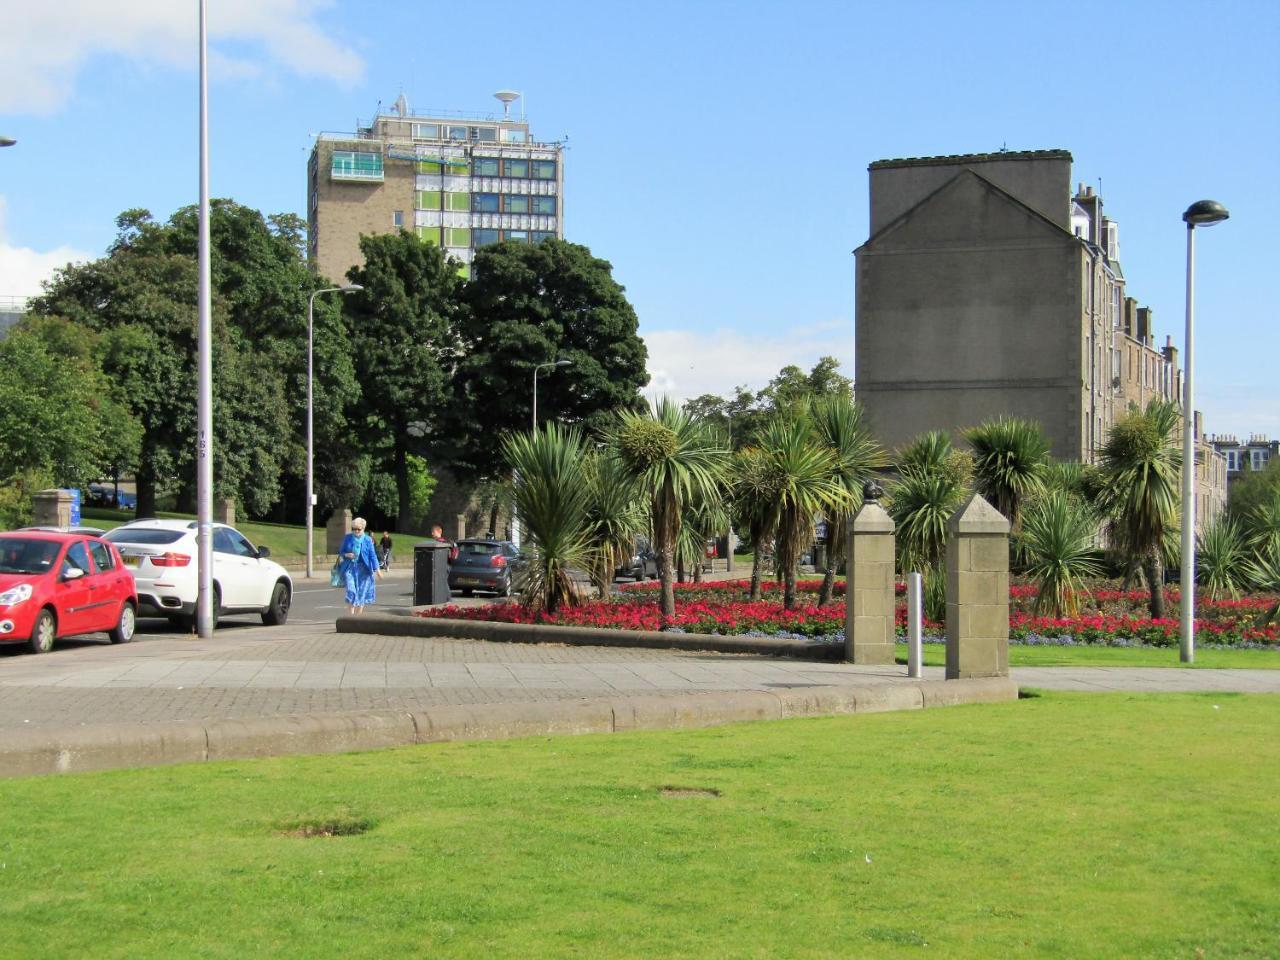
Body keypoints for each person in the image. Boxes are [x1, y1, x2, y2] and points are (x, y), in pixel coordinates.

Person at [339, 517, 382, 615]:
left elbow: (372, 555)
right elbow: (341, 551)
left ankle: (358, 617)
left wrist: (377, 570)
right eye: (354, 529)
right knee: (351, 591)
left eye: (359, 529)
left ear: (363, 529)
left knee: (362, 593)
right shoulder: (348, 538)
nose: (356, 531)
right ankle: (351, 617)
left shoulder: (368, 540)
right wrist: (346, 555)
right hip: (350, 568)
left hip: (364, 570)